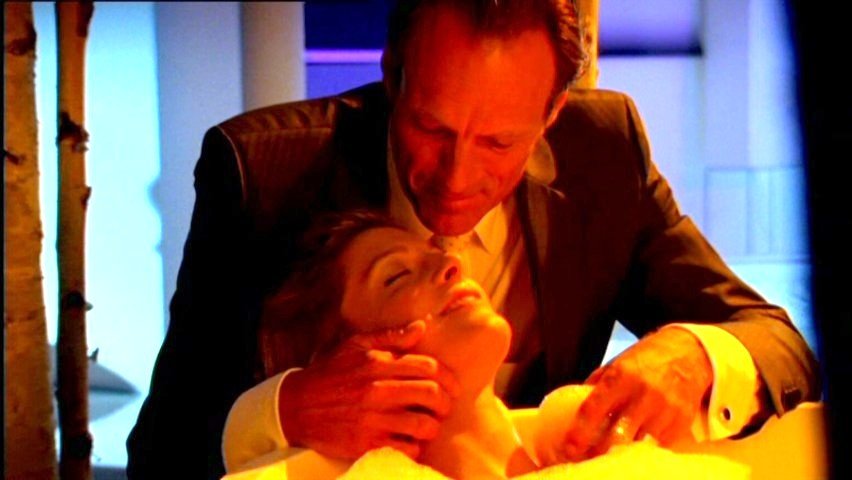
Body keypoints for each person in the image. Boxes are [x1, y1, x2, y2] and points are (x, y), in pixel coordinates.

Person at [126, 1, 820, 478]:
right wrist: (287, 408)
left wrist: (696, 358)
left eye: (498, 142)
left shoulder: (604, 152)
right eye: (431, 127)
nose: (456, 179)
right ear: (393, 71)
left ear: (552, 112)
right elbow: (162, 455)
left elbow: (776, 342)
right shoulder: (263, 176)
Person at [225, 211, 538, 478]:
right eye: (398, 276)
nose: (453, 261)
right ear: (346, 367)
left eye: (435, 253)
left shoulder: (559, 435)